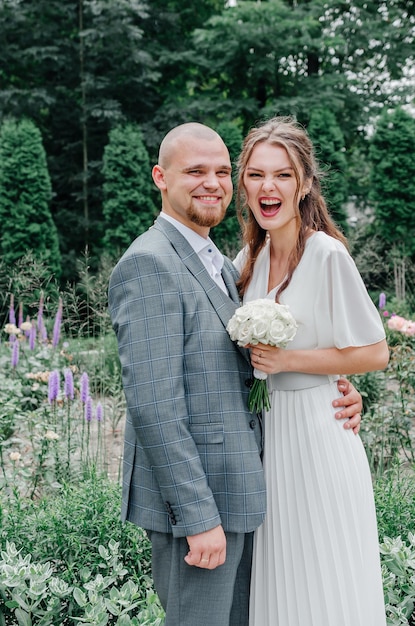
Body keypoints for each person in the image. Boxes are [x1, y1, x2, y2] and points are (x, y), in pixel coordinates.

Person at [108, 122, 364, 626]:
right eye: (195, 171)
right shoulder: (149, 264)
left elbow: (248, 368)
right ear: (161, 177)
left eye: (222, 171)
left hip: (246, 493)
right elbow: (155, 407)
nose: (212, 183)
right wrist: (198, 519)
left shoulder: (225, 264)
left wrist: (331, 385)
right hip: (202, 511)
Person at [233, 116, 389, 626]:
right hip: (269, 441)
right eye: (256, 175)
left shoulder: (326, 254)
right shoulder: (247, 261)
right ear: (245, 185)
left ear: (303, 185)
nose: (267, 187)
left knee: (326, 582)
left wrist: (293, 362)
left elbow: (374, 351)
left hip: (320, 438)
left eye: (281, 175)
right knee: (282, 586)